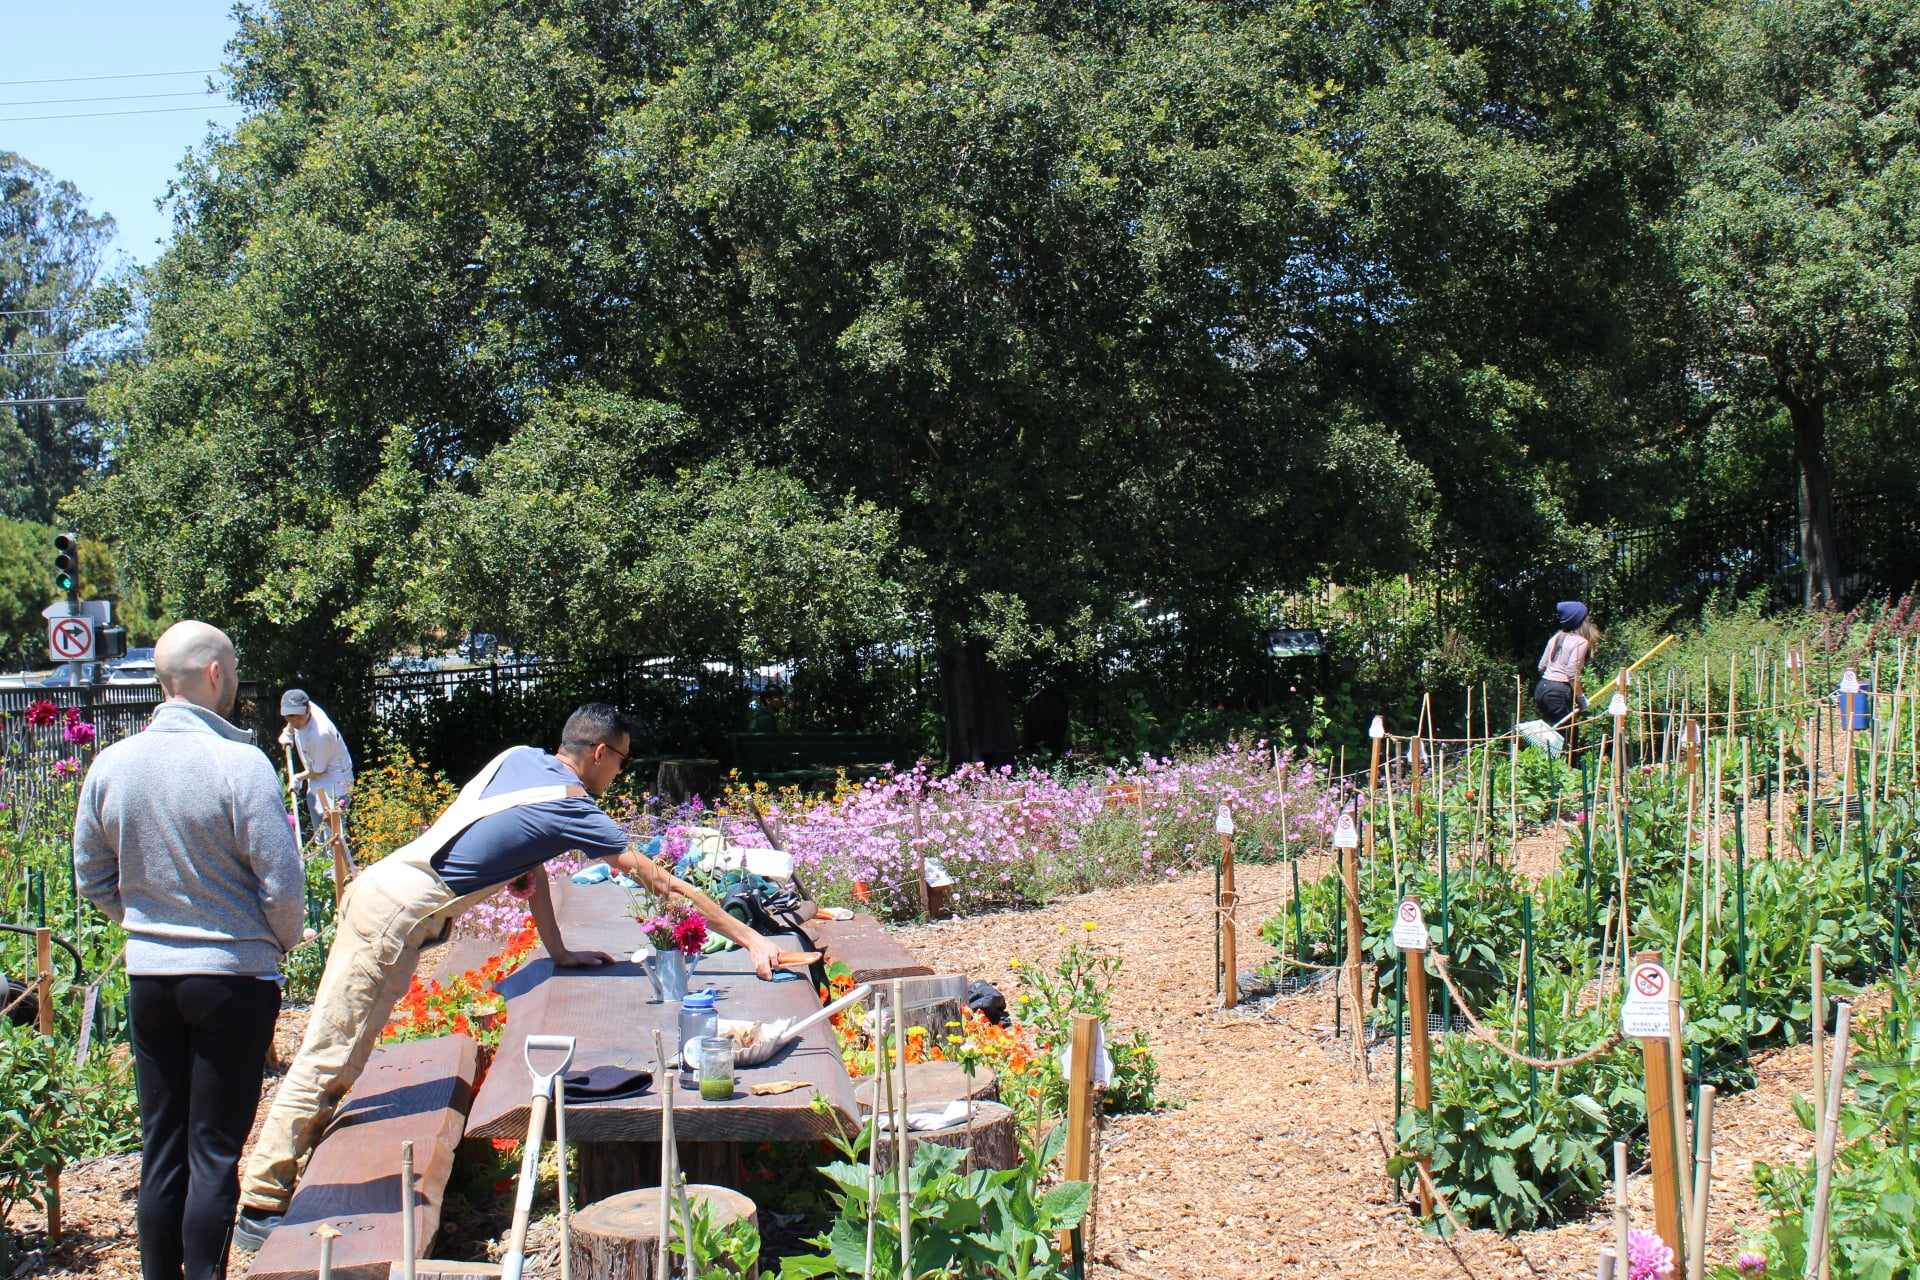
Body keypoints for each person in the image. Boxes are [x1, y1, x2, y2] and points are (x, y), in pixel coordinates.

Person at [235, 702, 785, 1247]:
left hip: (384, 893)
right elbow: (657, 881)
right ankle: (261, 1202)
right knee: (333, 1053)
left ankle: (274, 1183)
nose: (620, 773)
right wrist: (754, 939)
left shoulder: (519, 759)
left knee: (344, 1050)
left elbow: (531, 861)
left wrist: (560, 950)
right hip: (394, 920)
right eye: (620, 760)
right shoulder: (570, 805)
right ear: (598, 753)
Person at [73, 620, 305, 1280]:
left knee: (162, 1144)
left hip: (150, 975)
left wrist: (144, 922)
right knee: (213, 1151)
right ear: (212, 674)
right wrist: (278, 940)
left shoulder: (112, 764)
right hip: (231, 977)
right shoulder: (239, 762)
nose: (232, 681)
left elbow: (90, 874)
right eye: (230, 668)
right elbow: (282, 883)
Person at [278, 689, 354, 830]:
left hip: (336, 783)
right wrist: (288, 732)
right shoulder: (302, 706)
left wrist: (298, 778)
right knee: (319, 835)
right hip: (317, 779)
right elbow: (293, 718)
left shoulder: (321, 734)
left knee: (334, 838)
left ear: (307, 711)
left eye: (298, 718)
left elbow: (318, 771)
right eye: (290, 718)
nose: (295, 722)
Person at [1534, 601, 1599, 726]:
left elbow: (1541, 666)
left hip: (1541, 689)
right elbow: (1571, 673)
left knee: (1552, 735)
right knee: (1568, 736)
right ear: (1580, 621)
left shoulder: (1555, 637)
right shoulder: (1580, 642)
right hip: (1557, 693)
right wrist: (1581, 699)